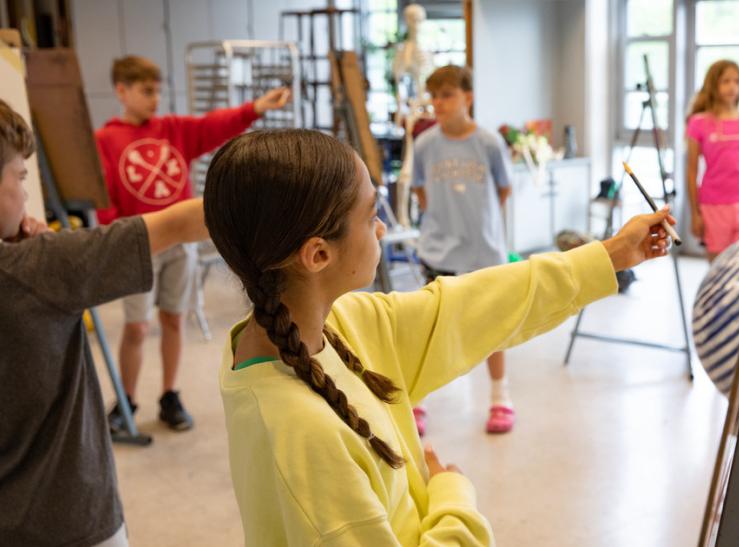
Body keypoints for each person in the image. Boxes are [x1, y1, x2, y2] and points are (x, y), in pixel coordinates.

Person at [204, 129, 673, 546]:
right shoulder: (303, 436)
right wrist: (452, 495)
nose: (382, 228)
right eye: (370, 216)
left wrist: (611, 254)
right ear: (319, 254)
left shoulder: (330, 326)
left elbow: (472, 305)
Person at [0, 98, 209, 546]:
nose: (25, 191)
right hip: (73, 524)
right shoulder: (40, 266)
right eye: (19, 177)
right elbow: (181, 222)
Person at [94, 55, 290, 431]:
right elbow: (103, 195)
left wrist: (254, 109)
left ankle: (170, 395)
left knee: (173, 319)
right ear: (122, 91)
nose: (154, 99)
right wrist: (112, 234)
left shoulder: (171, 129)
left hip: (179, 244)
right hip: (137, 245)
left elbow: (211, 126)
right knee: (136, 327)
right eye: (146, 91)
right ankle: (127, 400)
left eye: (158, 91)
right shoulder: (106, 138)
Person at [410, 64, 516, 434]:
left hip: (483, 250)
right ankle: (417, 398)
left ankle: (501, 398)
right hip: (439, 249)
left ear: (467, 97)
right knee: (430, 324)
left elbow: (504, 189)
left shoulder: (488, 143)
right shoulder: (424, 144)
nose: (438, 102)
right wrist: (443, 220)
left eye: (447, 94)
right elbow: (420, 189)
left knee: (492, 324)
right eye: (434, 95)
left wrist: (476, 222)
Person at [685, 59, 739, 261]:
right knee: (719, 272)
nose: (732, 87)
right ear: (713, 84)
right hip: (714, 206)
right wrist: (695, 213)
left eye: (736, 81)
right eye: (725, 81)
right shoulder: (698, 123)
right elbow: (692, 171)